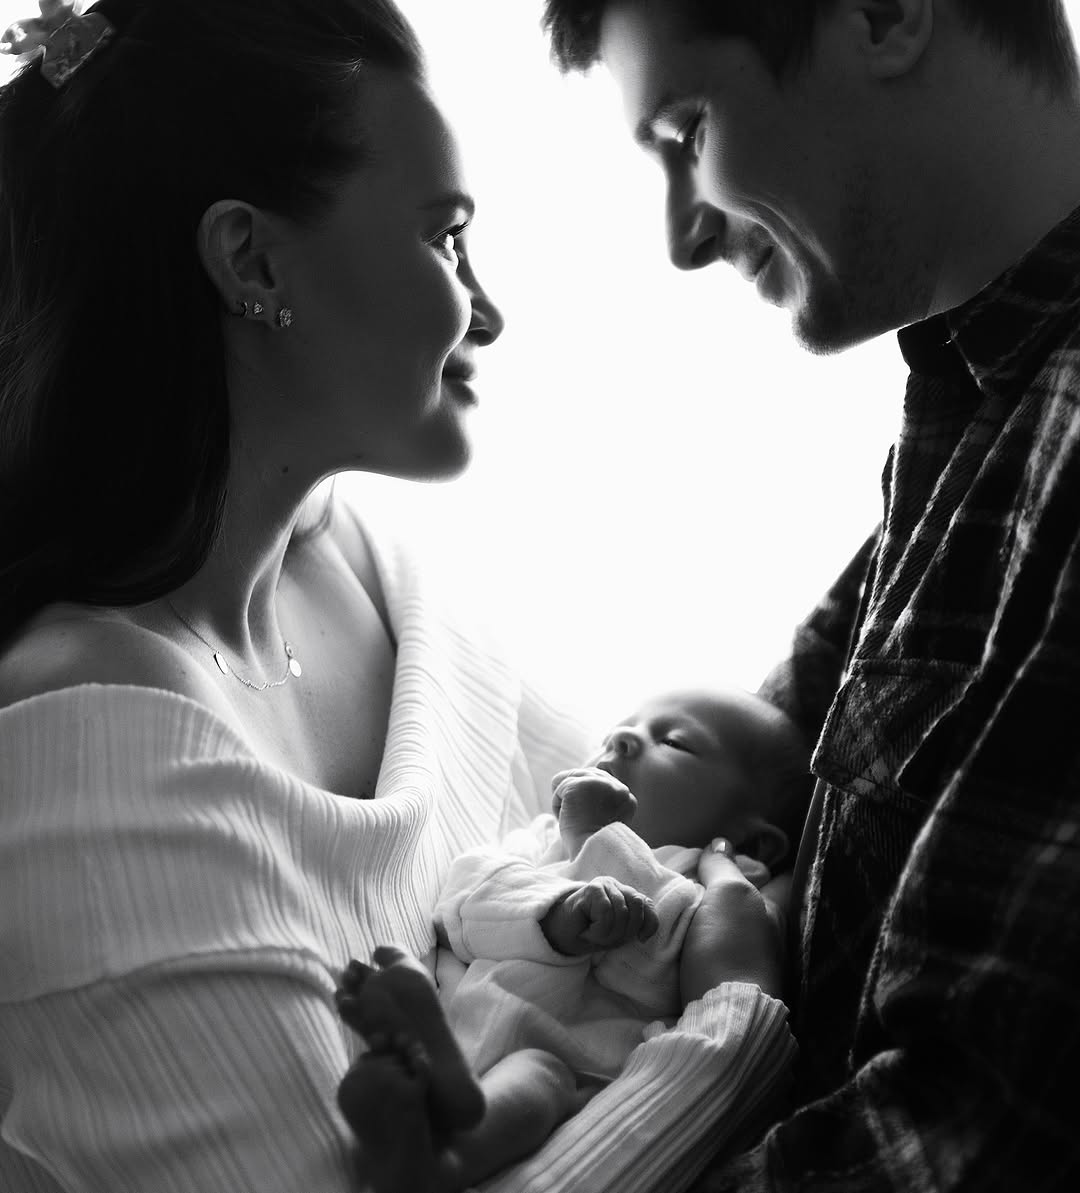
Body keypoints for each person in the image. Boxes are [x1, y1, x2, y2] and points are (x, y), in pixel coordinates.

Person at [0, 3, 793, 1192]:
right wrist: (734, 1038)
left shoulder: (384, 569)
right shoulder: (92, 771)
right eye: (446, 237)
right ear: (252, 261)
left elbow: (641, 864)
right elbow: (674, 978)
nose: (489, 310)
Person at [537, 0, 1080, 1190]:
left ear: (884, 16)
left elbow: (961, 1139)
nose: (683, 238)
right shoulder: (972, 400)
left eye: (689, 128)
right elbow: (753, 774)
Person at [333, 689, 805, 1191]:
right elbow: (462, 904)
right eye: (621, 727)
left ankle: (442, 1159)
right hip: (463, 1011)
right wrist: (555, 915)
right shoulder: (542, 837)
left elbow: (664, 961)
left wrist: (596, 837)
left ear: (753, 841)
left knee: (541, 1078)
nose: (623, 737)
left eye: (673, 741)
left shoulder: (712, 880)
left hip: (569, 1069)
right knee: (434, 981)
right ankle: (424, 1080)